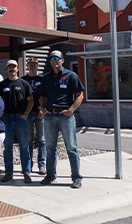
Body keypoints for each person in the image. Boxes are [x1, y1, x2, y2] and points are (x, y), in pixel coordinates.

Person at [39, 50, 84, 189]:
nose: (54, 60)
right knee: (50, 147)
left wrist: (71, 110)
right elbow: (42, 96)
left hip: (66, 117)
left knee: (71, 148)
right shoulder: (46, 78)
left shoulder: (71, 76)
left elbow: (80, 95)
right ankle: (51, 175)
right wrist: (43, 109)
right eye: (52, 58)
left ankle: (76, 178)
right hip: (50, 116)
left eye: (57, 58)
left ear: (62, 60)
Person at [0, 59, 33, 184]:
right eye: (9, 67)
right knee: (7, 147)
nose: (12, 69)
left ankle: (26, 173)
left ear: (18, 69)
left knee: (24, 147)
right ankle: (9, 172)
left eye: (14, 67)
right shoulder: (2, 85)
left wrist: (26, 114)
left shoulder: (24, 84)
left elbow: (31, 100)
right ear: (6, 69)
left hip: (20, 119)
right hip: (6, 119)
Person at [22, 57, 46, 175]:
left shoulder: (43, 78)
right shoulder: (23, 79)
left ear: (37, 66)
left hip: (40, 112)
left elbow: (47, 94)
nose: (32, 67)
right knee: (29, 139)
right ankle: (29, 164)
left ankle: (42, 165)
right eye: (30, 65)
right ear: (27, 66)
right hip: (28, 113)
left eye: (34, 65)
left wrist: (44, 109)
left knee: (42, 139)